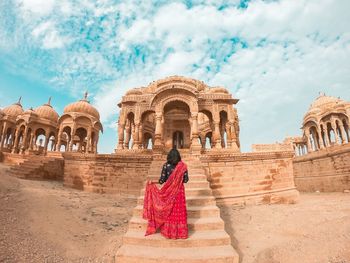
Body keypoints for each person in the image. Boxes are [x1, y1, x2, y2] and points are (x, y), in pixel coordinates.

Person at [142, 148, 189, 239]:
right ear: (178, 156)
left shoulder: (166, 166)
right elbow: (186, 180)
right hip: (179, 191)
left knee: (170, 210)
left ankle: (169, 232)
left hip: (168, 191)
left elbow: (162, 180)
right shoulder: (183, 166)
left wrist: (153, 182)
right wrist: (177, 180)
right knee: (179, 211)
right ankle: (180, 233)